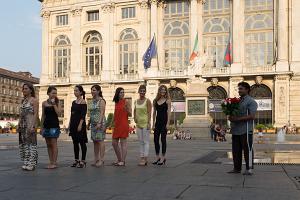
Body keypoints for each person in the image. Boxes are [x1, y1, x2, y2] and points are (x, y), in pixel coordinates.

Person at [228, 82, 258, 176]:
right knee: (236, 150)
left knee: (247, 149)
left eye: (241, 89)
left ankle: (249, 169)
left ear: (247, 89)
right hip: (236, 129)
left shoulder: (251, 101)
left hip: (246, 129)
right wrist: (231, 116)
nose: (239, 91)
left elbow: (252, 116)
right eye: (239, 89)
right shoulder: (237, 101)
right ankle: (237, 168)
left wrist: (237, 119)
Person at [18, 83, 38, 171]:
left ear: (30, 90)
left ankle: (32, 163)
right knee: (24, 144)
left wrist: (33, 126)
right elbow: (21, 114)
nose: (24, 90)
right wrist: (19, 123)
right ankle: (26, 161)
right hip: (23, 125)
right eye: (23, 89)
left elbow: (36, 114)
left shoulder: (34, 100)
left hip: (30, 123)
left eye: (26, 88)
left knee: (31, 144)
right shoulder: (23, 101)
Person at [41, 86, 61, 169]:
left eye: (55, 93)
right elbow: (43, 115)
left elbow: (59, 113)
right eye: (53, 93)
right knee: (48, 144)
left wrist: (54, 104)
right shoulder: (44, 103)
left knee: (54, 144)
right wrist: (41, 127)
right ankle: (51, 161)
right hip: (46, 126)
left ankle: (54, 162)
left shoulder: (57, 102)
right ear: (48, 93)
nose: (54, 95)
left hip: (54, 126)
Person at [69, 85, 88, 168]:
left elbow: (83, 115)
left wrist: (80, 125)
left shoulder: (83, 102)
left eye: (76, 91)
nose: (75, 92)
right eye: (74, 91)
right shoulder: (73, 102)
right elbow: (72, 114)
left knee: (82, 142)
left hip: (80, 124)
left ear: (80, 92)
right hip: (73, 124)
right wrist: (70, 124)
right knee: (75, 143)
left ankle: (83, 160)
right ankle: (76, 160)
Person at [152, 85, 171, 165]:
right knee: (155, 140)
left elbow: (169, 112)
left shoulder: (168, 100)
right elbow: (154, 112)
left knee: (163, 140)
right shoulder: (155, 100)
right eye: (161, 90)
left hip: (164, 122)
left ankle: (163, 157)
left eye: (164, 90)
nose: (163, 91)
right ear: (159, 91)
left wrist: (168, 124)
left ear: (166, 91)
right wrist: (153, 123)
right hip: (157, 122)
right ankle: (157, 157)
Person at [112, 87, 131, 166]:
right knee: (114, 143)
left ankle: (122, 161)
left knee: (123, 143)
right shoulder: (116, 102)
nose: (122, 94)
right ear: (117, 93)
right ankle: (119, 159)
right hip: (117, 124)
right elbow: (115, 114)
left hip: (123, 124)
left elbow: (130, 114)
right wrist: (112, 123)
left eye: (123, 92)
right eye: (120, 92)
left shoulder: (126, 101)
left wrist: (127, 109)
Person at [134, 85, 152, 166]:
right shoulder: (136, 101)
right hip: (138, 124)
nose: (142, 92)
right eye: (141, 91)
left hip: (145, 123)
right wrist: (135, 118)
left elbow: (149, 112)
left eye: (143, 91)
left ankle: (145, 158)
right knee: (140, 142)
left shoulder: (147, 101)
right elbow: (135, 110)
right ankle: (141, 157)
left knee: (146, 141)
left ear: (145, 92)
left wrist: (148, 122)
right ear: (139, 92)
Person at [89, 85, 106, 167]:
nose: (92, 91)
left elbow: (102, 112)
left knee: (100, 141)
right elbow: (91, 113)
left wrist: (99, 123)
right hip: (93, 124)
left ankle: (101, 160)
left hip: (100, 123)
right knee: (95, 141)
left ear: (98, 91)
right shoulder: (91, 101)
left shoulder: (101, 100)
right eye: (92, 90)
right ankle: (96, 159)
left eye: (94, 90)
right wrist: (89, 122)